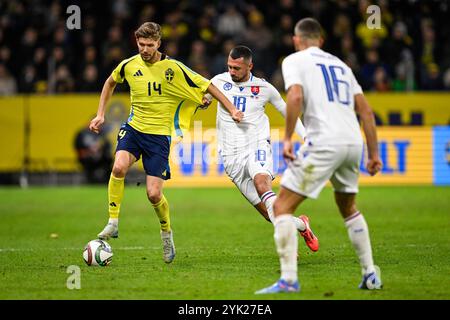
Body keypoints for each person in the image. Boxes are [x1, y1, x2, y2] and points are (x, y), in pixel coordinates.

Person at [89, 22, 243, 264]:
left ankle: (166, 233)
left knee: (152, 193)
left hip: (159, 137)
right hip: (133, 129)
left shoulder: (174, 68)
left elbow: (208, 86)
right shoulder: (129, 65)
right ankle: (113, 222)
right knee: (118, 167)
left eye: (150, 45)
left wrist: (232, 108)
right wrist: (100, 114)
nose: (145, 50)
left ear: (159, 43)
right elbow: (110, 82)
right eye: (141, 45)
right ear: (136, 41)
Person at [256, 18, 383, 294]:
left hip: (324, 142)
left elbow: (295, 98)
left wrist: (288, 137)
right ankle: (370, 273)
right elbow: (367, 112)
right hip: (352, 142)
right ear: (321, 40)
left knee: (281, 208)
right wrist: (373, 153)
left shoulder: (294, 60)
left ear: (296, 40)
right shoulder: (342, 66)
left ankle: (289, 280)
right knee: (348, 207)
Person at [210, 45, 319, 252]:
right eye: (230, 67)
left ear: (250, 66)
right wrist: (205, 100)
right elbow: (203, 95)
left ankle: (288, 249)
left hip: (256, 146)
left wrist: (305, 137)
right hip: (231, 157)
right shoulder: (217, 82)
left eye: (237, 68)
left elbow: (287, 112)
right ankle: (302, 225)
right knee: (272, 214)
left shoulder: (264, 89)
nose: (232, 72)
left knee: (262, 184)